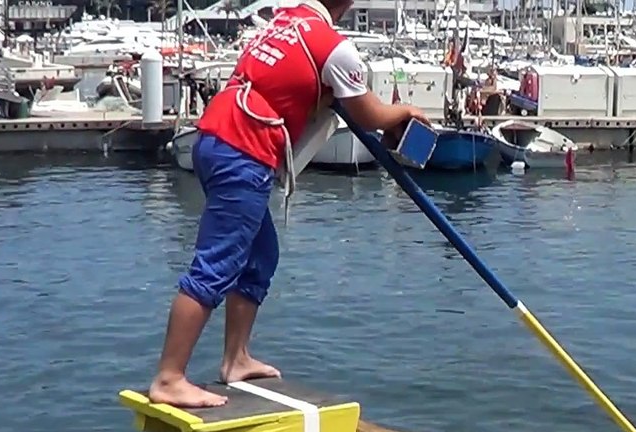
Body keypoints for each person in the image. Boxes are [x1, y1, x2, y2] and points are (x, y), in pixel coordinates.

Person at [147, 0, 429, 408]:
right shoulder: (335, 48)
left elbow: (290, 80)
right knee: (217, 264)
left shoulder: (286, 20)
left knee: (261, 254)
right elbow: (370, 115)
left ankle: (236, 359)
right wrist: (405, 110)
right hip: (243, 148)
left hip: (215, 138)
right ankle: (170, 378)